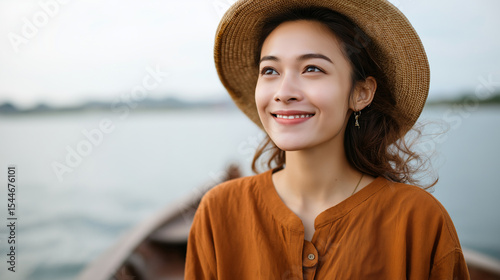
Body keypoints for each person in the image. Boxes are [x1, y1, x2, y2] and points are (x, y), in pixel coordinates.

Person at [185, 0, 470, 279]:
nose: (284, 92)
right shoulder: (219, 211)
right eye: (270, 70)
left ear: (361, 93)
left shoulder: (418, 219)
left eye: (312, 69)